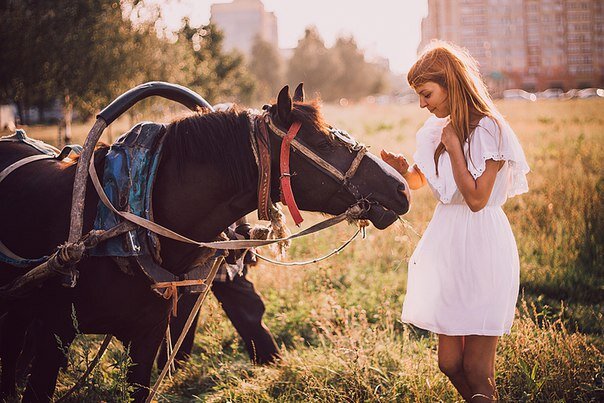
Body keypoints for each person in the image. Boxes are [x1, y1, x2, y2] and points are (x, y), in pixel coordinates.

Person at [381, 41, 529, 402]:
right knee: (449, 363)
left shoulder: (490, 130)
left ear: (450, 83)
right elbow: (427, 181)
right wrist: (404, 172)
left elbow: (477, 199)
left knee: (478, 370)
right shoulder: (435, 132)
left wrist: (455, 149)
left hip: (481, 247)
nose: (422, 104)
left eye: (426, 93)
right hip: (447, 246)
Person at [157, 218, 280, 369]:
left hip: (230, 256)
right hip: (195, 255)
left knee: (248, 310)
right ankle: (172, 368)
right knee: (182, 314)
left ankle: (270, 362)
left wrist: (244, 237)